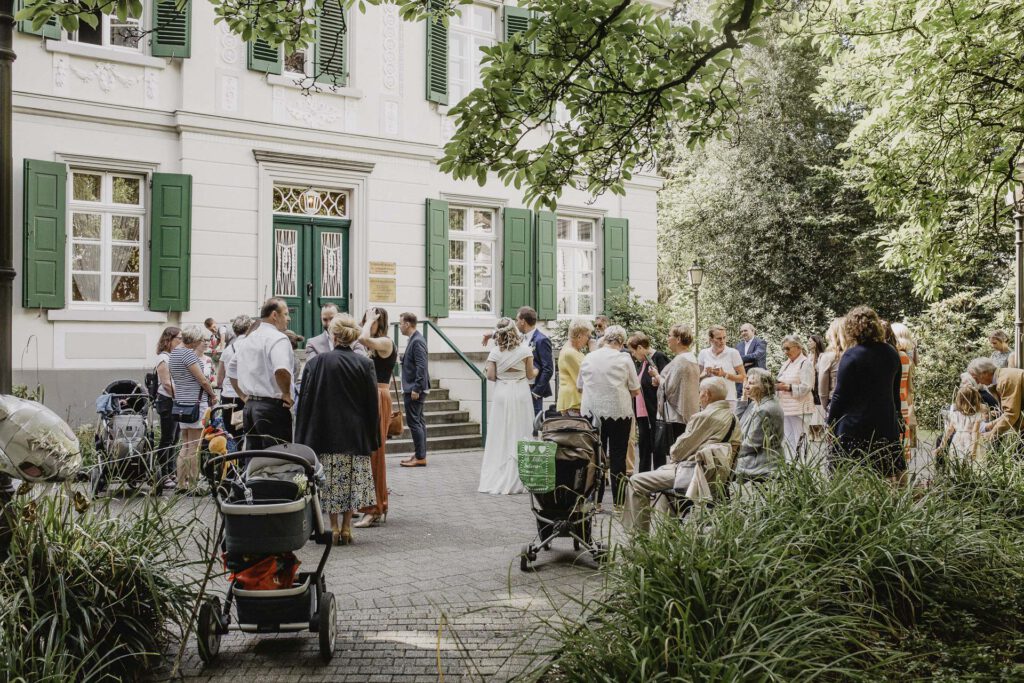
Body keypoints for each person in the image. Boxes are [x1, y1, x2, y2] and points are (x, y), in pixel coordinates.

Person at [295, 315, 380, 545]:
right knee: (352, 481)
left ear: (333, 335)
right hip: (355, 432)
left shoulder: (316, 363)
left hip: (326, 431)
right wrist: (373, 437)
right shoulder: (365, 364)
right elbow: (373, 404)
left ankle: (332, 527)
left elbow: (305, 402)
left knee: (330, 483)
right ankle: (346, 528)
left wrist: (302, 437)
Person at [622, 377, 740, 533]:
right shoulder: (733, 417)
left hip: (695, 475)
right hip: (716, 476)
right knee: (663, 486)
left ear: (706, 394)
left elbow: (677, 452)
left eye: (699, 392)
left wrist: (677, 451)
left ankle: (638, 539)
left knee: (636, 481)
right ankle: (666, 537)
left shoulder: (703, 417)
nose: (699, 396)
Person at [826, 306, 903, 479]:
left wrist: (831, 422)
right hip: (885, 422)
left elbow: (840, 395)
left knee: (851, 475)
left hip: (855, 425)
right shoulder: (891, 353)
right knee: (886, 474)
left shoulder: (851, 355)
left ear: (851, 328)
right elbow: (894, 392)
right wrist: (897, 418)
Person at [577, 325, 641, 507]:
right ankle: (618, 504)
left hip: (591, 413)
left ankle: (594, 502)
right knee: (619, 457)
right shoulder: (624, 358)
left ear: (605, 339)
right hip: (618, 413)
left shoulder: (589, 357)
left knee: (594, 457)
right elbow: (635, 390)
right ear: (621, 342)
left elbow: (579, 387)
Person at [478, 318, 538, 494]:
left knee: (500, 432)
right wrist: (537, 371)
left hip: (502, 393)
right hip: (520, 392)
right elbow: (529, 375)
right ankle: (522, 474)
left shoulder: (495, 352)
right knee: (521, 430)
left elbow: (490, 376)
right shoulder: (525, 350)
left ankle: (499, 472)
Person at [228, 298, 295, 450]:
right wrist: (286, 393)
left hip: (251, 407)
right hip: (272, 407)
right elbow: (281, 369)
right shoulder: (278, 338)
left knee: (253, 457)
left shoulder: (249, 338)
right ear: (274, 315)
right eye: (285, 314)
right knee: (277, 458)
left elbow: (231, 369)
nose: (289, 318)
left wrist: (243, 396)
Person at [354, 307, 396, 528]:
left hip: (379, 396)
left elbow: (362, 338)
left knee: (375, 454)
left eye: (370, 320)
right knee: (369, 454)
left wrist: (369, 321)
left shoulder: (386, 342)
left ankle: (375, 508)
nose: (365, 322)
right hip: (370, 397)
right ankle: (376, 505)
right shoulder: (378, 342)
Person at [169, 326, 217, 493]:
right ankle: (194, 485)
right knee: (194, 447)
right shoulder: (188, 354)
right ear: (194, 340)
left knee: (185, 445)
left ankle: (181, 483)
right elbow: (202, 380)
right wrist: (212, 394)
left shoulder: (174, 353)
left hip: (181, 403)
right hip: (196, 404)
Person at [627, 332, 671, 472]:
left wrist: (656, 380)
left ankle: (660, 481)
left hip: (654, 411)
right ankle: (643, 480)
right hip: (642, 413)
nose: (633, 355)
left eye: (633, 351)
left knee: (657, 447)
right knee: (644, 447)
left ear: (640, 348)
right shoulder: (644, 362)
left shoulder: (658, 357)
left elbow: (667, 383)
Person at [650, 324, 700, 445]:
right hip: (688, 410)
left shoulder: (681, 360)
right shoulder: (691, 358)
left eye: (669, 335)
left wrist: (656, 375)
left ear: (678, 339)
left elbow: (669, 387)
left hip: (678, 414)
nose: (667, 339)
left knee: (677, 451)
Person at [733, 368, 785, 484]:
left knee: (718, 465)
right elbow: (736, 423)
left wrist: (730, 454)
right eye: (747, 383)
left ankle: (721, 500)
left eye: (751, 383)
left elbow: (752, 445)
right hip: (756, 455)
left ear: (763, 387)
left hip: (762, 460)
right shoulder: (756, 404)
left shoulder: (764, 409)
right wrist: (743, 399)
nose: (746, 386)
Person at [776, 335, 815, 462]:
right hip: (786, 408)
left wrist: (787, 387)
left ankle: (802, 468)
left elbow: (806, 386)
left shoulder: (805, 363)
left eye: (787, 348)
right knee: (788, 439)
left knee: (800, 440)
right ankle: (790, 466)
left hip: (800, 408)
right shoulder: (786, 364)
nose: (785, 352)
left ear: (798, 347)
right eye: (784, 349)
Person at [399, 312, 430, 467]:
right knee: (419, 421)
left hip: (414, 388)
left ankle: (420, 457)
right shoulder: (414, 339)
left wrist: (417, 388)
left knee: (414, 423)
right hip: (413, 386)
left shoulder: (417, 341)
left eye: (400, 323)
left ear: (407, 324)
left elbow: (422, 366)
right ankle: (420, 454)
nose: (399, 326)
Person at [217, 316, 253, 447]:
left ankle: (232, 464)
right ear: (249, 328)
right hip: (248, 396)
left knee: (232, 434)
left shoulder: (227, 350)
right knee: (249, 433)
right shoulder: (253, 346)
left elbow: (219, 378)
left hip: (229, 396)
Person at [153, 326, 181, 487]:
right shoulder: (163, 358)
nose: (181, 341)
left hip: (175, 400)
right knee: (167, 438)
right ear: (169, 340)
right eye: (179, 338)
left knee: (174, 438)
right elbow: (166, 383)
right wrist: (180, 397)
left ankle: (171, 471)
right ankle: (164, 474)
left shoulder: (172, 356)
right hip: (168, 400)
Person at [516, 306, 553, 418]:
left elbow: (548, 369)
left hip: (533, 389)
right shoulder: (520, 338)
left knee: (534, 423)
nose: (516, 323)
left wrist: (536, 392)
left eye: (517, 320)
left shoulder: (541, 340)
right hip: (521, 387)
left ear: (523, 321)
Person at [938, 384, 988, 463]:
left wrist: (941, 446)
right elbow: (975, 432)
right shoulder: (977, 416)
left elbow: (949, 430)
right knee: (971, 463)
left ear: (959, 400)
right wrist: (973, 450)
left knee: (956, 461)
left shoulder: (955, 414)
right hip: (971, 441)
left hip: (957, 440)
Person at [890, 322, 917, 465]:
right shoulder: (906, 357)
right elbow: (909, 388)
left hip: (893, 402)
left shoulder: (894, 357)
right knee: (902, 444)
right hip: (904, 403)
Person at [699, 325, 746, 402]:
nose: (723, 341)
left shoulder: (733, 353)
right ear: (711, 339)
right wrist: (705, 374)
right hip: (708, 400)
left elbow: (743, 378)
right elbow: (696, 378)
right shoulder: (703, 353)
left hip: (728, 400)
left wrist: (724, 374)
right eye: (719, 338)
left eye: (724, 337)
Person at [556, 319, 592, 415]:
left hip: (574, 401)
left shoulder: (573, 349)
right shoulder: (570, 353)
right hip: (573, 402)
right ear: (580, 336)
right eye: (588, 336)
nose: (588, 340)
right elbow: (585, 378)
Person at [981, 366, 1024, 446]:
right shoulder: (1003, 376)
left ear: (985, 373)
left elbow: (1011, 413)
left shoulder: (1006, 379)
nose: (977, 382)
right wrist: (991, 425)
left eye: (976, 377)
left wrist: (992, 434)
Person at [817, 318, 845, 412]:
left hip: (834, 402)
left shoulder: (828, 357)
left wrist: (827, 408)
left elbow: (822, 392)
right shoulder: (857, 354)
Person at [734, 323, 767, 398]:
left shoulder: (760, 342)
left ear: (753, 331)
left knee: (755, 402)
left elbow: (756, 356)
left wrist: (740, 360)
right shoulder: (739, 345)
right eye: (741, 331)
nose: (743, 333)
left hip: (756, 378)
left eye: (745, 330)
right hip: (741, 380)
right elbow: (734, 361)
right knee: (741, 402)